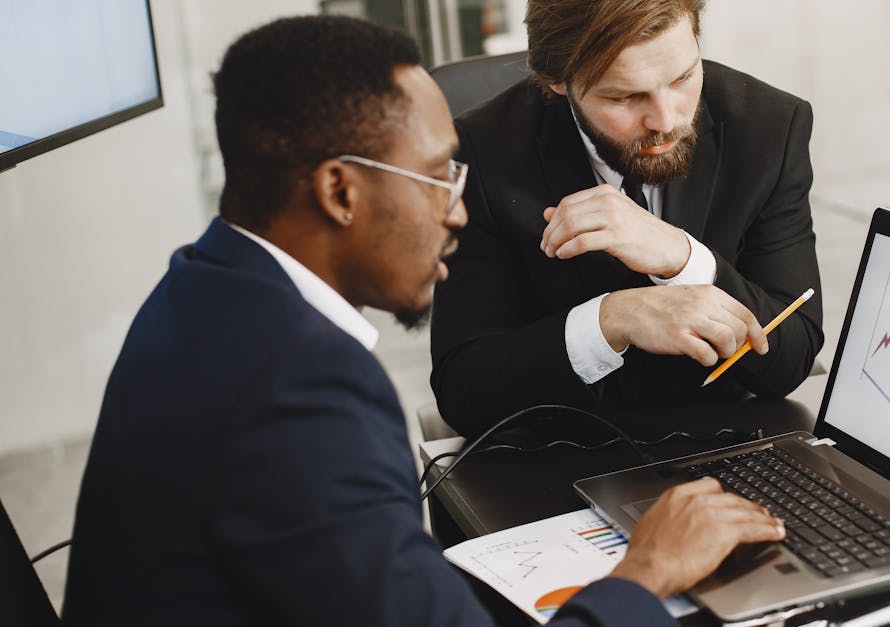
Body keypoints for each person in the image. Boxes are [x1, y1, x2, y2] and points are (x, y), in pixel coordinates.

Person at [61, 15, 785, 627]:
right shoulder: (303, 388)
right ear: (340, 190)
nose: (459, 210)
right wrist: (645, 571)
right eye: (440, 176)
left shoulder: (202, 287)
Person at [431, 0, 824, 437]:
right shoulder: (482, 151)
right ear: (557, 81)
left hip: (723, 437)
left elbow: (793, 356)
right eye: (625, 96)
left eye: (683, 78)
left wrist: (683, 259)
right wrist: (610, 320)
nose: (666, 119)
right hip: (558, 456)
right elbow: (462, 389)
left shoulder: (770, 126)